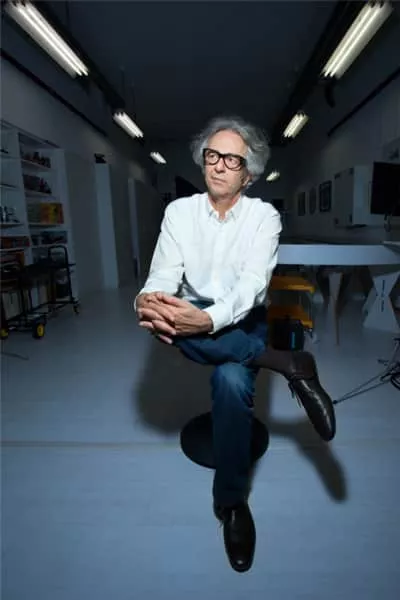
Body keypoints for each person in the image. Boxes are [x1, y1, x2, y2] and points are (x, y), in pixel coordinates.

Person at [135, 116, 336, 573]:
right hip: (190, 313)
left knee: (231, 381)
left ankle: (232, 504)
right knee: (170, 320)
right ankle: (289, 364)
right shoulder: (179, 212)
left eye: (232, 159)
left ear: (249, 174)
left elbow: (252, 287)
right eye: (212, 155)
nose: (219, 165)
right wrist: (149, 300)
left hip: (243, 319)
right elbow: (163, 274)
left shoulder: (263, 217)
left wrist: (207, 319)